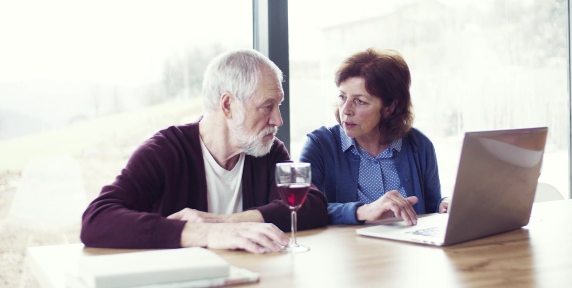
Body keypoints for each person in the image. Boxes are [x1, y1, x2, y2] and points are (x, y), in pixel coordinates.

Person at [80, 48, 328, 254]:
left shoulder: (267, 151)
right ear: (228, 105)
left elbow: (312, 206)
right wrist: (205, 233)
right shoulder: (165, 151)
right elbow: (96, 220)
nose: (278, 120)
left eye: (279, 105)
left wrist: (226, 223)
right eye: (267, 107)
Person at [299, 48, 448, 226]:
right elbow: (301, 209)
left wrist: (444, 205)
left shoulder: (419, 145)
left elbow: (432, 206)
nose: (346, 110)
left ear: (390, 107)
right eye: (342, 97)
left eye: (360, 101)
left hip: (410, 250)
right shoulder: (320, 145)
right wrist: (363, 211)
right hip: (350, 249)